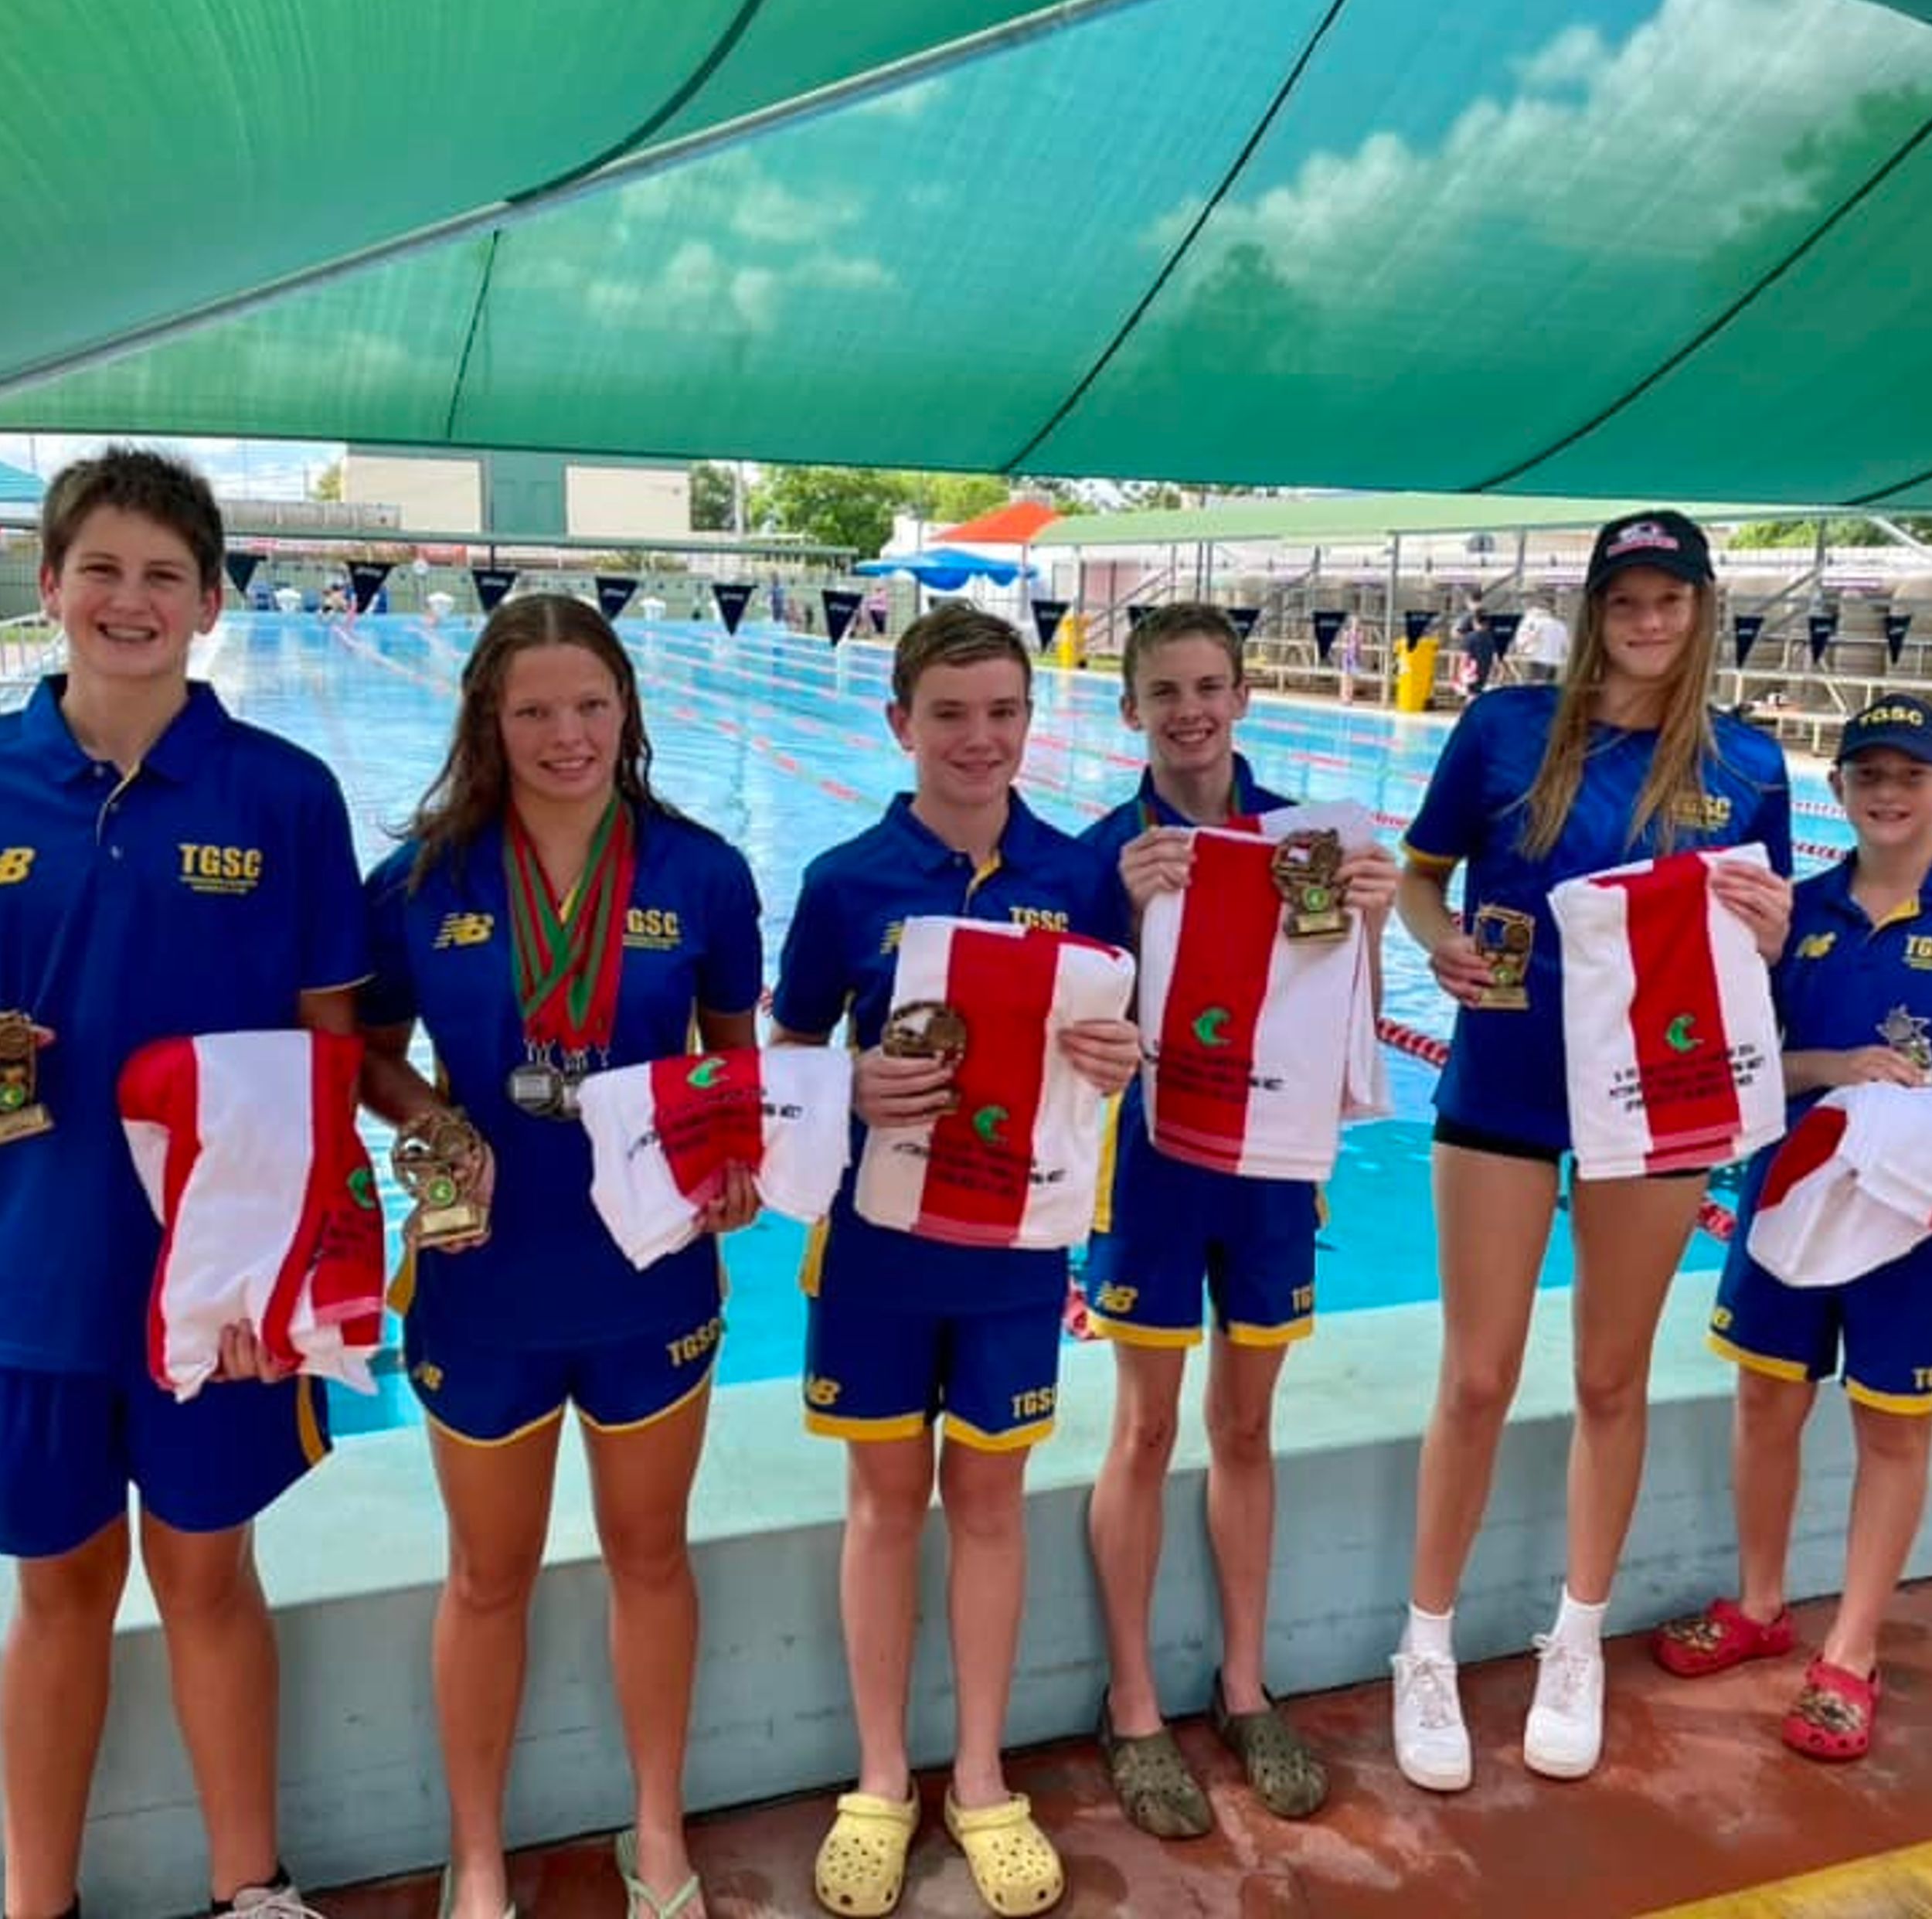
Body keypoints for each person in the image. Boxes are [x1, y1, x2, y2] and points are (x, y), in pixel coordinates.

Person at [0, 448, 369, 1919]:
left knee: (209, 1577)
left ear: (213, 603)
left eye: (165, 575)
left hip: (219, 1287)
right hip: (32, 1278)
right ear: (50, 587)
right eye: (103, 569)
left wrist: (309, 1272)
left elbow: (330, 1044)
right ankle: (36, 1900)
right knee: (56, 1592)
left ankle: (250, 1890)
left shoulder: (283, 793)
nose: (132, 600)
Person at [359, 593, 762, 1919]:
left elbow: (734, 1053)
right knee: (487, 1575)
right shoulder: (421, 882)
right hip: (483, 1277)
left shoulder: (701, 873)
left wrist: (736, 1156)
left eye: (590, 705)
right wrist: (428, 1117)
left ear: (628, 708)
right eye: (532, 709)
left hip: (649, 1275)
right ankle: (476, 1857)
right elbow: (358, 1050)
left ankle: (660, 1837)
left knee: (653, 1555)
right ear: (488, 717)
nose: (566, 734)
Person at [1390, 509, 1794, 1791]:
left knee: (1612, 1380)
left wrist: (1777, 921)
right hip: (1505, 1077)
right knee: (1477, 1377)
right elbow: (1418, 877)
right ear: (1597, 608)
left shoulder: (1749, 764)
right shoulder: (1507, 728)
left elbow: (1760, 948)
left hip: (1657, 1101)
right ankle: (1427, 1643)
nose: (1649, 618)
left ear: (1702, 609)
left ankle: (1576, 1638)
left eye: (1672, 597)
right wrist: (1435, 943)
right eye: (1628, 596)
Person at [770, 601, 1138, 1919]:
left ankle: (980, 1778)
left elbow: (1111, 1040)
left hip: (1012, 1257)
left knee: (988, 1506)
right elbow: (786, 1051)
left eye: (1002, 713)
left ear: (1033, 722)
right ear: (898, 725)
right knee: (882, 1505)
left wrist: (1121, 1057)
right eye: (949, 715)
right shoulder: (843, 882)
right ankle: (882, 1778)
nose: (978, 740)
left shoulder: (1082, 877)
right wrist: (844, 1084)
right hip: (876, 1249)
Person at [1080, 603, 1397, 1838]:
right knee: (1148, 1429)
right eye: (1165, 691)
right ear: (1130, 709)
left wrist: (1368, 916)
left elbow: (1353, 1025)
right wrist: (1117, 907)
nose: (1190, 711)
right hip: (1151, 1171)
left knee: (1248, 1426)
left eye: (1209, 686)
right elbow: (1069, 1020)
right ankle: (1133, 1703)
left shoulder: (1309, 845)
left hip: (1272, 1170)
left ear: (1245, 695)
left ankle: (1246, 1686)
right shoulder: (1098, 853)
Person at [1651, 694, 1932, 1761]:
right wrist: (1834, 1071)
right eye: (1870, 774)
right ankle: (1762, 1605)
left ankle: (1850, 1653)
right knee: (1768, 1398)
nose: (1889, 793)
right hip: (1789, 1198)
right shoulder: (1795, 914)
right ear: (1839, 789)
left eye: (1911, 774)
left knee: (1893, 1429)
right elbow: (1739, 1060)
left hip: (1912, 1225)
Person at [1516, 595, 1572, 686]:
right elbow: (1566, 646)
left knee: (1536, 688)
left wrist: (1522, 648)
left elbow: (1533, 637)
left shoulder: (1541, 623)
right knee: (1549, 686)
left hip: (1540, 660)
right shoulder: (1561, 626)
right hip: (1554, 662)